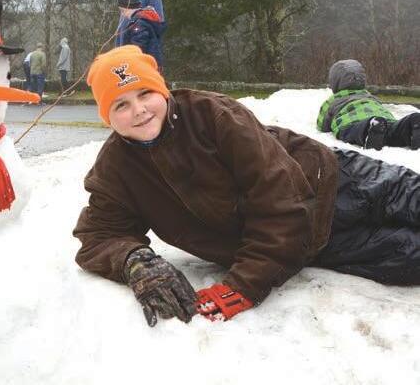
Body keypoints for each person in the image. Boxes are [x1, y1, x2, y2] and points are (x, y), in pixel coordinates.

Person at [73, 45, 420, 327]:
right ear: (107, 117)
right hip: (306, 242)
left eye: (145, 93)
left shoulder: (211, 114)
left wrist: (244, 284)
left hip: (334, 181)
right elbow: (98, 235)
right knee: (410, 259)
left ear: (162, 89)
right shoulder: (116, 168)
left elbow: (280, 197)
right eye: (121, 104)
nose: (138, 110)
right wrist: (134, 261)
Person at [317, 59, 420, 150]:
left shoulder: (333, 101)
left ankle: (372, 126)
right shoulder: (369, 96)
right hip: (385, 119)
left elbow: (322, 125)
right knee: (394, 130)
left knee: (358, 131)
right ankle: (411, 122)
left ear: (335, 81)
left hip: (354, 124)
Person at [116, 0, 165, 70]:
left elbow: (138, 48)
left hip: (145, 66)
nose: (123, 14)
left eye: (123, 11)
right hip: (145, 65)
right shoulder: (138, 21)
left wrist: (128, 61)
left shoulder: (139, 24)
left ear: (128, 7)